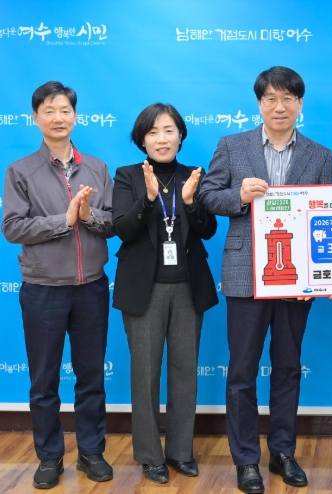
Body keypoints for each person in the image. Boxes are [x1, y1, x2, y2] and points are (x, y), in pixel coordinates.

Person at [199, 66, 332, 494]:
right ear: (259, 103)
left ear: (300, 104)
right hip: (246, 275)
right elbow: (207, 196)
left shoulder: (320, 155)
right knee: (241, 370)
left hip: (297, 277)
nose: (280, 106)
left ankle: (283, 452)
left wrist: (323, 276)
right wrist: (238, 197)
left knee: (288, 368)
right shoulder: (232, 145)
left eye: (288, 99)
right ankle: (245, 460)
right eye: (271, 98)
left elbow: (327, 217)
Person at [2, 81, 114, 489]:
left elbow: (113, 223)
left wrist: (88, 217)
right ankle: (49, 457)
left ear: (76, 116)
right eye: (48, 110)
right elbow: (12, 227)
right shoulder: (20, 171)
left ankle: (91, 452)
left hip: (91, 288)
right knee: (44, 381)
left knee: (91, 377)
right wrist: (62, 221)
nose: (58, 117)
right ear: (35, 118)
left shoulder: (97, 168)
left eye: (65, 109)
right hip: (43, 289)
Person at [111, 103, 218, 483]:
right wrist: (148, 199)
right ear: (142, 139)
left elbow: (208, 231)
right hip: (144, 290)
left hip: (188, 287)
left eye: (169, 130)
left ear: (181, 135)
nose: (162, 138)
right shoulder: (127, 176)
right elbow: (122, 229)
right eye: (153, 132)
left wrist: (189, 202)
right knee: (145, 374)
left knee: (185, 371)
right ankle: (149, 455)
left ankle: (180, 451)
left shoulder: (194, 175)